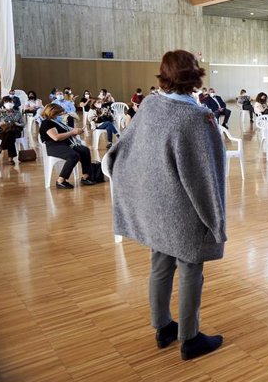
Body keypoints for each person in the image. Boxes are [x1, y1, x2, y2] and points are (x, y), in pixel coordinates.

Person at [105, 49, 226, 361]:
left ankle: (163, 327)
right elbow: (205, 177)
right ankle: (190, 339)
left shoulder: (150, 104)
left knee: (160, 265)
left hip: (157, 205)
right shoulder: (197, 118)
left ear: (164, 75)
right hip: (185, 209)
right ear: (195, 75)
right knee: (190, 269)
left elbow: (123, 148)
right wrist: (215, 220)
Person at [38, 103, 95, 188]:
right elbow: (56, 137)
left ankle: (86, 176)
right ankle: (60, 180)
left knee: (84, 150)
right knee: (73, 156)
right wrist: (72, 133)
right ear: (53, 113)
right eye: (59, 113)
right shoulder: (46, 123)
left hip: (64, 144)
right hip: (53, 146)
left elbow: (66, 133)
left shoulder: (56, 122)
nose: (61, 115)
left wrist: (76, 132)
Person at [0, 96, 24, 164]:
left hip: (15, 129)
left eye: (9, 102)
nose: (8, 103)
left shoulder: (17, 113)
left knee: (11, 131)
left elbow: (23, 124)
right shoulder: (0, 113)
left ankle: (1, 147)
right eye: (6, 102)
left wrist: (17, 124)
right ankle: (10, 158)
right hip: (2, 131)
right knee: (10, 134)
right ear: (3, 104)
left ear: (12, 103)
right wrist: (0, 124)